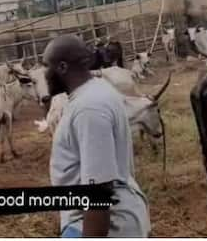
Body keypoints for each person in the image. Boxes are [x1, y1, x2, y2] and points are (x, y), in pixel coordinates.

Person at [42, 35, 151, 237]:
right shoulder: (96, 92)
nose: (44, 74)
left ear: (63, 67)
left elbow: (97, 193)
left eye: (46, 66)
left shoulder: (88, 109)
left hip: (101, 226)